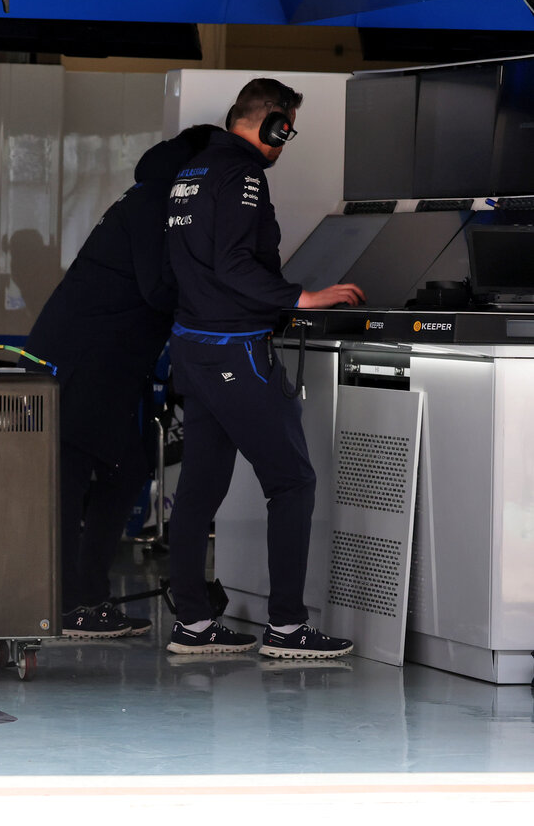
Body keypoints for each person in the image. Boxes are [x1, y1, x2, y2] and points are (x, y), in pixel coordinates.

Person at [163, 78, 364, 658]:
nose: (287, 141)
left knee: (199, 486)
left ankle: (194, 626)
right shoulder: (242, 174)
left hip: (192, 347)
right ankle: (287, 628)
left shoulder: (191, 172)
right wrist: (302, 299)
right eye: (288, 129)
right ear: (274, 123)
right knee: (293, 481)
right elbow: (231, 264)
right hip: (234, 350)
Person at [26, 124, 222, 638]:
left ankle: (87, 595)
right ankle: (71, 605)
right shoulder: (156, 202)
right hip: (82, 360)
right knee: (68, 479)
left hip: (98, 358)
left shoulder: (154, 199)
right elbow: (158, 287)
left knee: (126, 467)